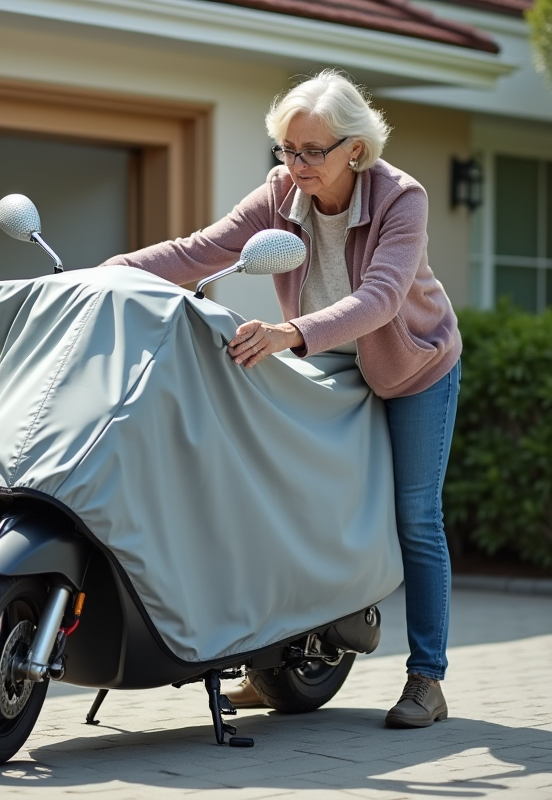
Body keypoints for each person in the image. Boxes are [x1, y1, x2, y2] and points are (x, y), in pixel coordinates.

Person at [99, 69, 461, 729]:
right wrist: (108, 272)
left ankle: (427, 681)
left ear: (355, 148)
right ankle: (281, 667)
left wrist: (289, 332)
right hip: (321, 358)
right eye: (287, 150)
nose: (296, 165)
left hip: (410, 367)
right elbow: (200, 251)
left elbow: (380, 298)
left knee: (417, 519)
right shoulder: (280, 194)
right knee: (287, 499)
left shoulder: (401, 199)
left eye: (311, 151)